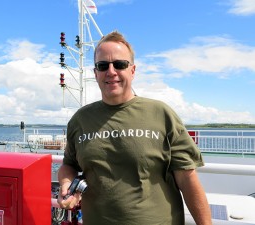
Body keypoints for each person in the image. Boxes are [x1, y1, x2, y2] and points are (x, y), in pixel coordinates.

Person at [58, 31, 212, 225]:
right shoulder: (80, 120)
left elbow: (187, 180)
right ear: (95, 72)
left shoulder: (161, 114)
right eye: (103, 65)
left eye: (120, 64)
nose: (111, 71)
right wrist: (66, 184)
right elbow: (68, 165)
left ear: (132, 70)